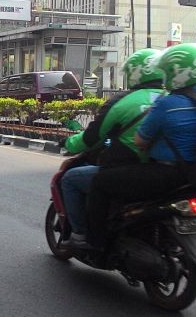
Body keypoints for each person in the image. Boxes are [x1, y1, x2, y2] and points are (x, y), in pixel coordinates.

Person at [85, 43, 196, 250]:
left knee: (100, 182)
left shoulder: (167, 104)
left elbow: (140, 141)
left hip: (165, 173)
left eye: (169, 70)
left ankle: (97, 243)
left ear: (179, 72)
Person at [59, 49, 165, 247]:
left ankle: (82, 236)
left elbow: (92, 137)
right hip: (167, 173)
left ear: (135, 73)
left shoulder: (123, 102)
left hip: (131, 171)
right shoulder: (172, 99)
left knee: (70, 179)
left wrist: (69, 143)